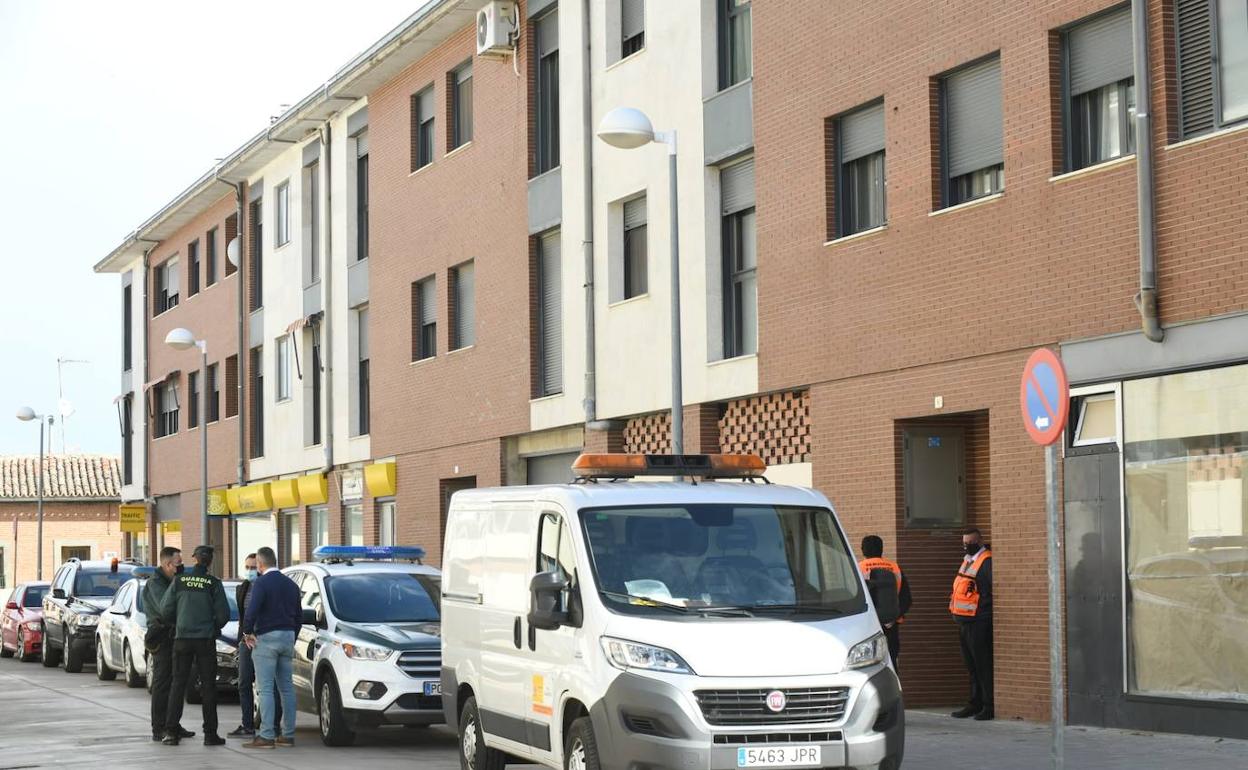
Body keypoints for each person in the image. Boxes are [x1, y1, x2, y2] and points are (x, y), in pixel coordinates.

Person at [159, 544, 230, 746]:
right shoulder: (213, 583)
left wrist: (179, 623)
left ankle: (171, 731)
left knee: (178, 684)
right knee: (208, 687)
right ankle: (210, 734)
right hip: (205, 640)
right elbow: (224, 615)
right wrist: (211, 626)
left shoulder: (180, 581)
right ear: (210, 562)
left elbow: (165, 610)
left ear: (195, 559)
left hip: (182, 639)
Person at [242, 547, 302, 749]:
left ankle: (266, 736)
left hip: (266, 638)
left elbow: (252, 610)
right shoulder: (292, 585)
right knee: (287, 688)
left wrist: (247, 632)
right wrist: (291, 637)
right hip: (288, 636)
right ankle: (288, 735)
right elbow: (299, 617)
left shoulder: (261, 583)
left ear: (259, 563)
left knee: (265, 688)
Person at [228, 553, 282, 738]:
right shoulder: (242, 588)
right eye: (247, 567)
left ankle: (274, 725)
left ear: (260, 567)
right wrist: (241, 640)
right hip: (246, 641)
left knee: (269, 684)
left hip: (265, 639)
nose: (250, 571)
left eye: (253, 567)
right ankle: (247, 725)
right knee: (244, 682)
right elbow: (243, 617)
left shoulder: (267, 587)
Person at [143, 547, 193, 743]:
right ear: (167, 564)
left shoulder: (173, 581)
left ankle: (173, 724)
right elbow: (166, 609)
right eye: (178, 563)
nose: (181, 567)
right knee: (162, 683)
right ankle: (159, 728)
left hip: (176, 636)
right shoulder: (155, 584)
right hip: (162, 637)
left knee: (176, 683)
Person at [950, 527, 994, 721]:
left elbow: (989, 592)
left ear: (979, 541)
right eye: (965, 543)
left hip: (978, 622)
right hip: (964, 621)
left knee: (982, 665)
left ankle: (988, 705)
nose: (967, 546)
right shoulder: (968, 561)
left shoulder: (986, 561)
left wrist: (982, 613)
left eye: (970, 543)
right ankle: (974, 702)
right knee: (971, 666)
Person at [858, 535, 912, 670]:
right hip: (891, 627)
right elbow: (907, 599)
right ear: (881, 549)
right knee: (891, 664)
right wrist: (892, 618)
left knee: (868, 667)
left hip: (867, 627)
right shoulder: (895, 568)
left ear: (863, 550)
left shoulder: (858, 568)